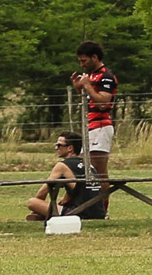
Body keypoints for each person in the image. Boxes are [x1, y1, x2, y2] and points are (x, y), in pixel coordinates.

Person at [71, 40, 117, 212]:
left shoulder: (106, 76)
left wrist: (87, 85)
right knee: (84, 167)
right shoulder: (90, 76)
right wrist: (79, 88)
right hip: (90, 126)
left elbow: (103, 103)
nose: (81, 65)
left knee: (98, 171)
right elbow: (90, 99)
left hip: (101, 127)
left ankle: (102, 209)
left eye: (84, 61)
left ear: (95, 57)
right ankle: (88, 206)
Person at [25, 131, 108, 221]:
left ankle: (42, 216)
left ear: (70, 148)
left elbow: (41, 193)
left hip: (79, 213)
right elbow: (81, 189)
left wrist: (37, 210)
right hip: (99, 212)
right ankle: (44, 216)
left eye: (59, 145)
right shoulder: (88, 165)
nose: (56, 148)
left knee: (32, 202)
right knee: (60, 203)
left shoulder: (62, 166)